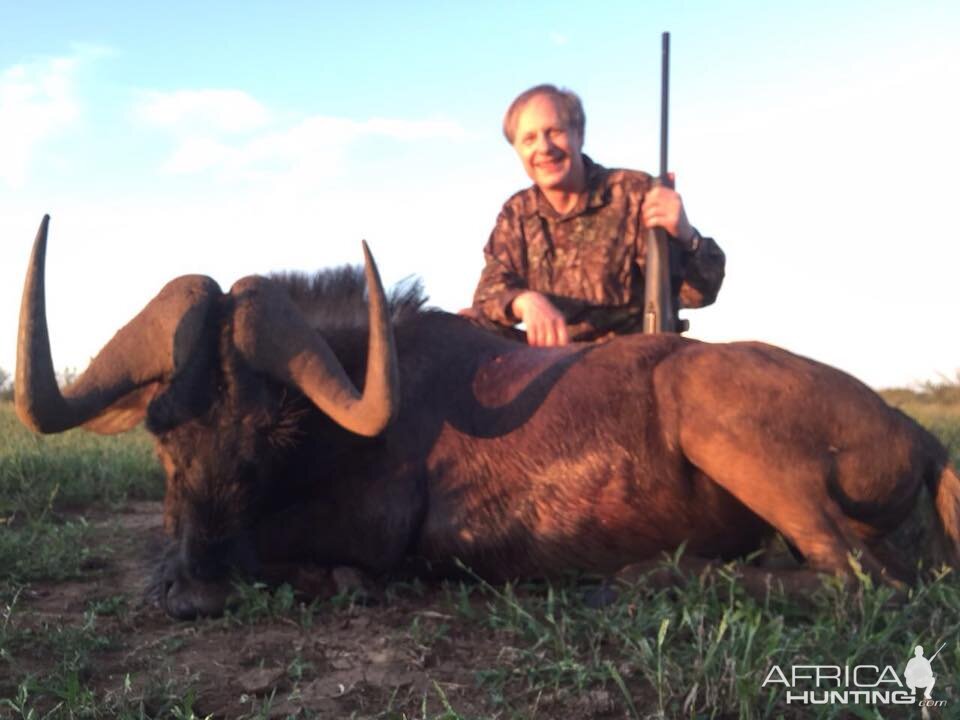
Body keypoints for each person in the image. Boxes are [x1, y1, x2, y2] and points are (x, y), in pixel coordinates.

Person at [469, 84, 725, 346]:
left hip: (634, 362)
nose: (544, 147)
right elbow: (486, 298)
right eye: (529, 139)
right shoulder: (517, 213)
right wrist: (523, 302)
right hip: (551, 369)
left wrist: (686, 237)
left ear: (578, 135)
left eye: (554, 132)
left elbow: (699, 294)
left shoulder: (635, 193)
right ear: (518, 151)